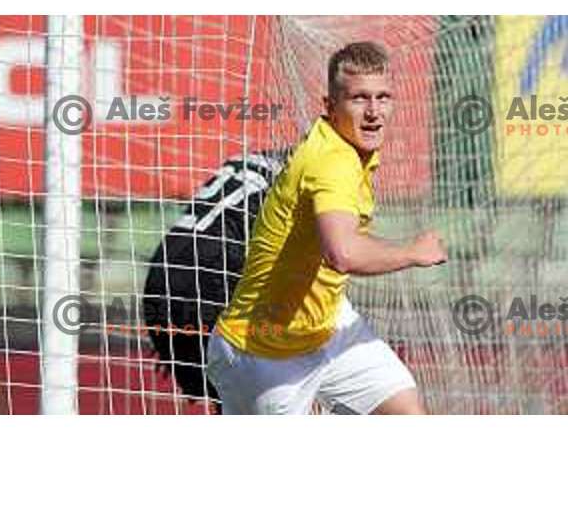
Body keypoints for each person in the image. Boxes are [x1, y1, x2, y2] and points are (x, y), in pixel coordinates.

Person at [207, 41, 448, 415]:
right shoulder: (332, 161)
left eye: (383, 97)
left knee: (407, 414)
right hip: (263, 353)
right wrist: (414, 252)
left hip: (330, 324)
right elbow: (343, 253)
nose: (373, 112)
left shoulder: (349, 146)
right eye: (359, 99)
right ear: (330, 106)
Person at [143, 152, 283, 413]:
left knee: (227, 395)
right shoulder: (311, 176)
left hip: (161, 275)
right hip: (210, 278)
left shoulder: (246, 158)